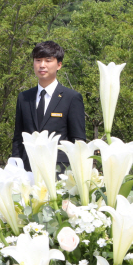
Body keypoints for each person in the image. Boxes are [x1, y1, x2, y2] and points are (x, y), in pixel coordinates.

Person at [12, 41, 86, 172]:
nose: (42, 65)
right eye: (38, 60)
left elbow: (78, 141)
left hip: (60, 171)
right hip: (28, 170)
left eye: (48, 60)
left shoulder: (71, 98)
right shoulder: (24, 97)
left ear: (59, 65)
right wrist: (15, 167)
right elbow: (18, 138)